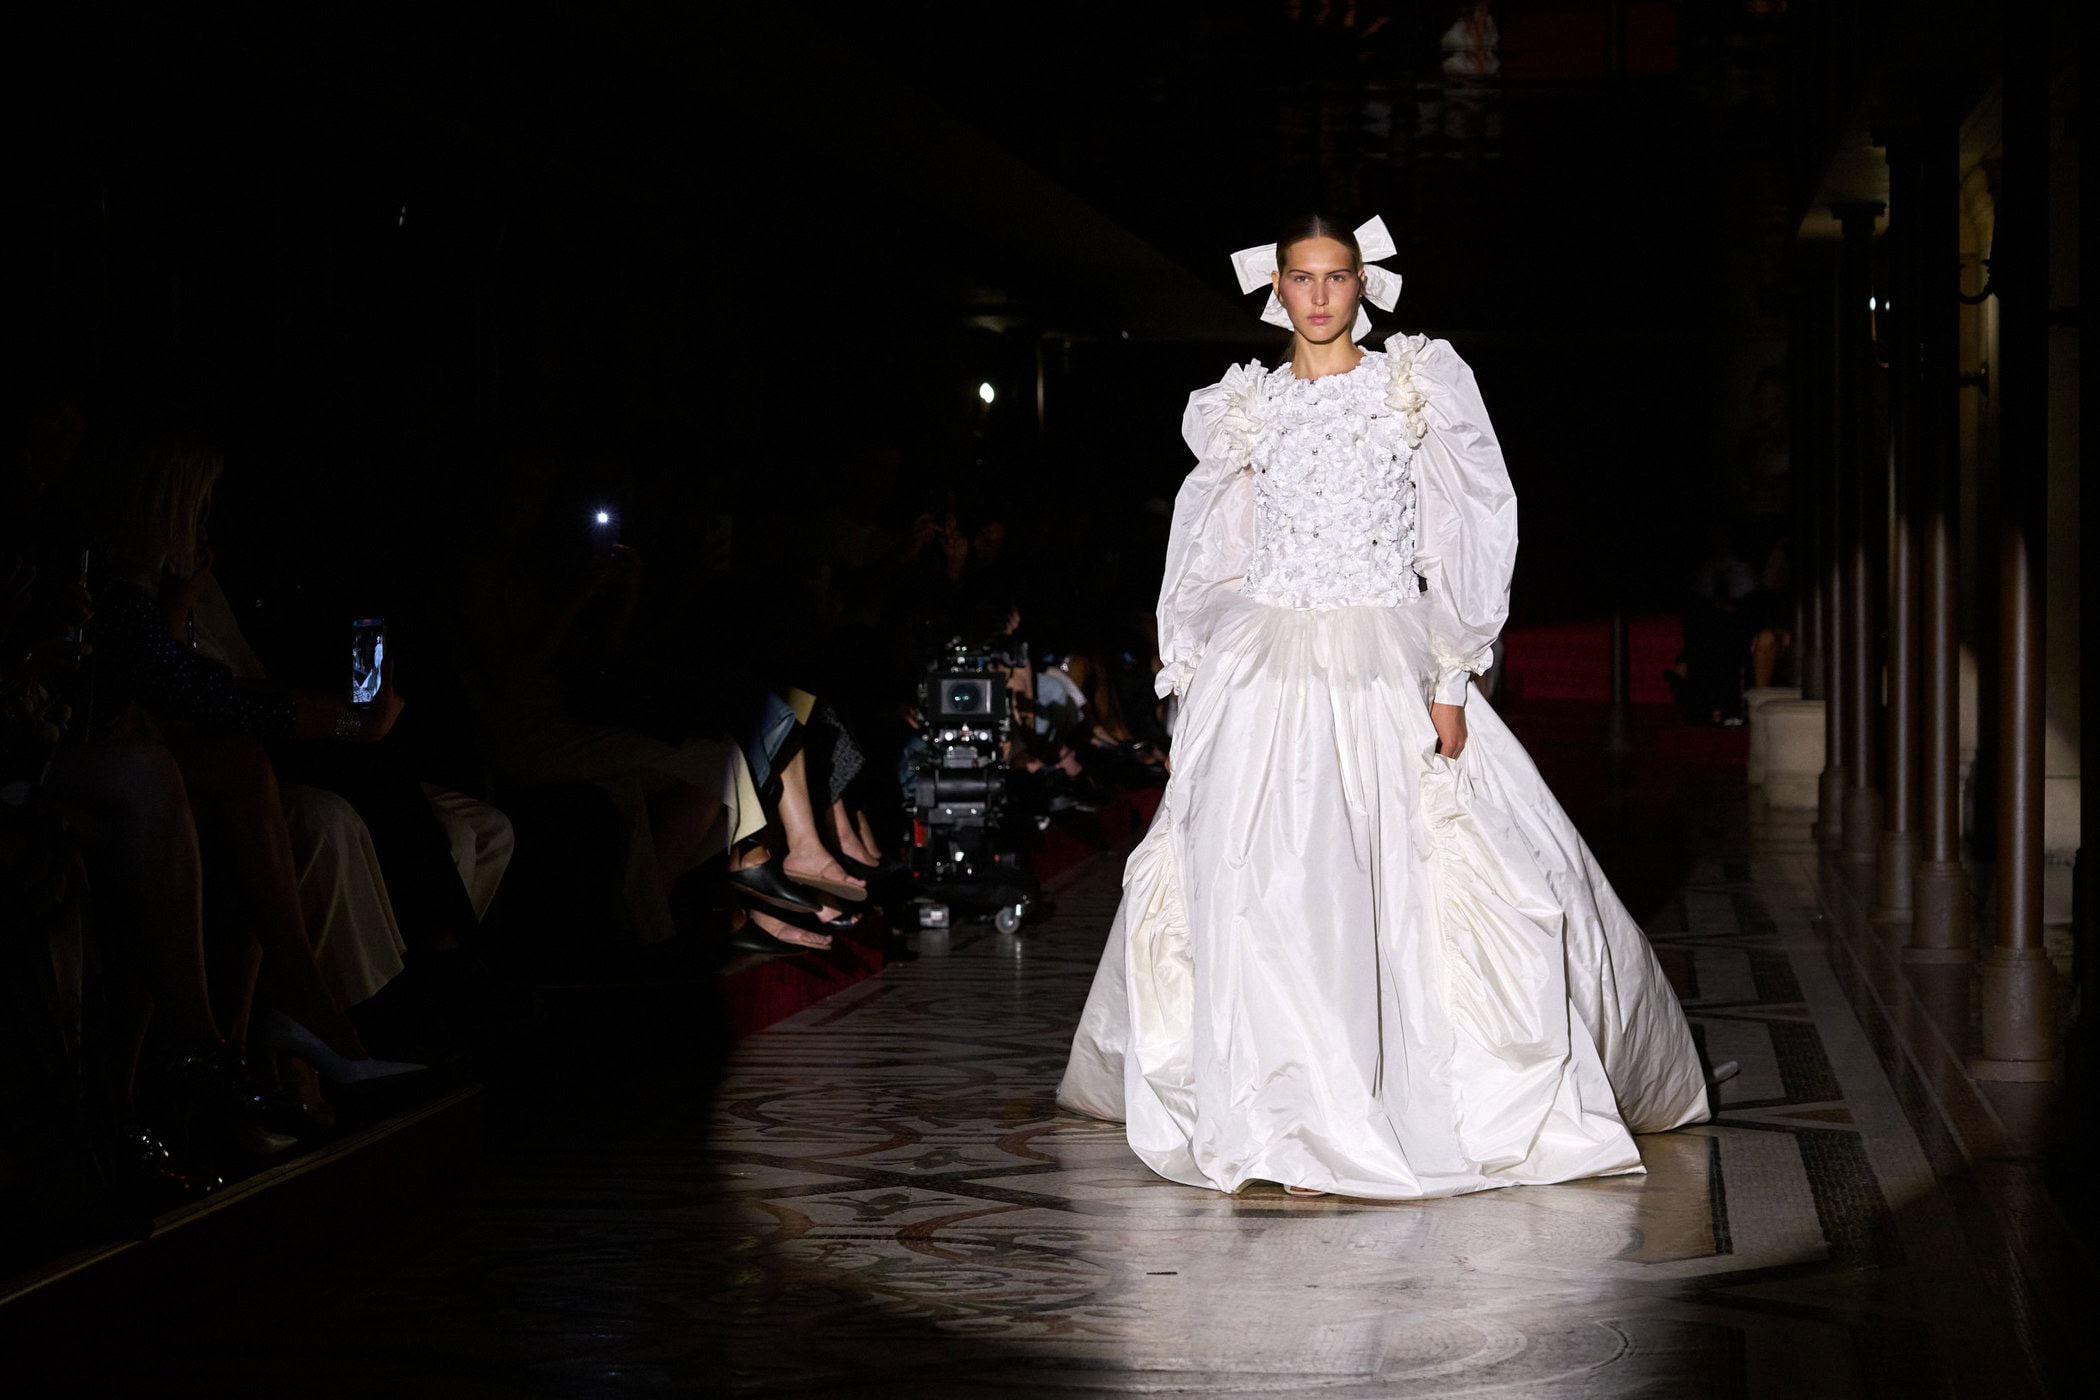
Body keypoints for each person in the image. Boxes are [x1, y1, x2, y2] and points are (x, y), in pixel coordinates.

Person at [1058, 214, 1711, 1200]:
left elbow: (1470, 519)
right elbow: (1210, 546)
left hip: (1384, 660)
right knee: (1259, 885)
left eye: (1336, 277)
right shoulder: (1245, 406)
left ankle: (1381, 1103)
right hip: (1265, 669)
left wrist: (1452, 674)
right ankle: (1287, 1111)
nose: (1319, 296)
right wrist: (1191, 677)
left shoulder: (1414, 383)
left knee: (1397, 879)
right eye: (1302, 278)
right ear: (1275, 286)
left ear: (1363, 284)